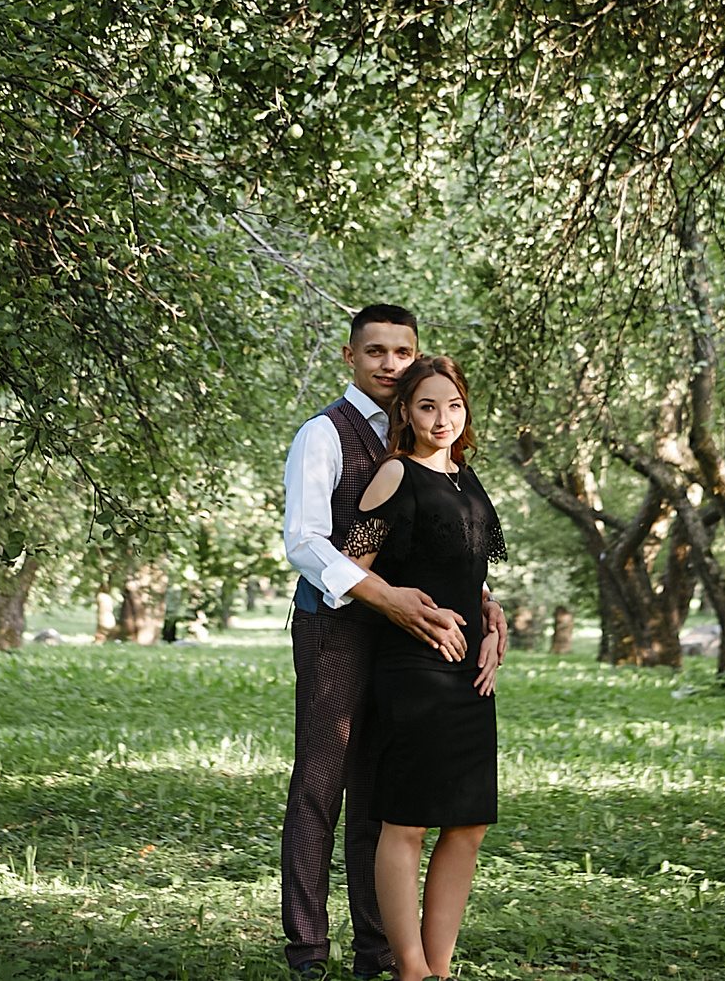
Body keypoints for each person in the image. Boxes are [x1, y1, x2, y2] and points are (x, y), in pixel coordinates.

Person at [281, 306, 505, 980]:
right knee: (322, 785)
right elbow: (306, 542)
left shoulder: (433, 441)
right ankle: (308, 950)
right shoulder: (323, 434)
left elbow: (436, 548)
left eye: (402, 351)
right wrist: (387, 597)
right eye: (374, 350)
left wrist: (484, 606)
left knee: (385, 793)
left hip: (413, 636)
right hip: (339, 626)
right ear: (350, 356)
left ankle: (379, 951)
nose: (389, 362)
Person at [342, 354, 505, 981]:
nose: (442, 418)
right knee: (406, 820)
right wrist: (404, 609)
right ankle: (409, 969)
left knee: (468, 822)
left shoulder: (468, 478)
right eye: (428, 406)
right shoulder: (393, 474)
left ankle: (439, 969)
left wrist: (492, 618)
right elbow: (357, 567)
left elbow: (471, 574)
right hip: (415, 665)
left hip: (473, 672)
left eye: (453, 405)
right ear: (405, 412)